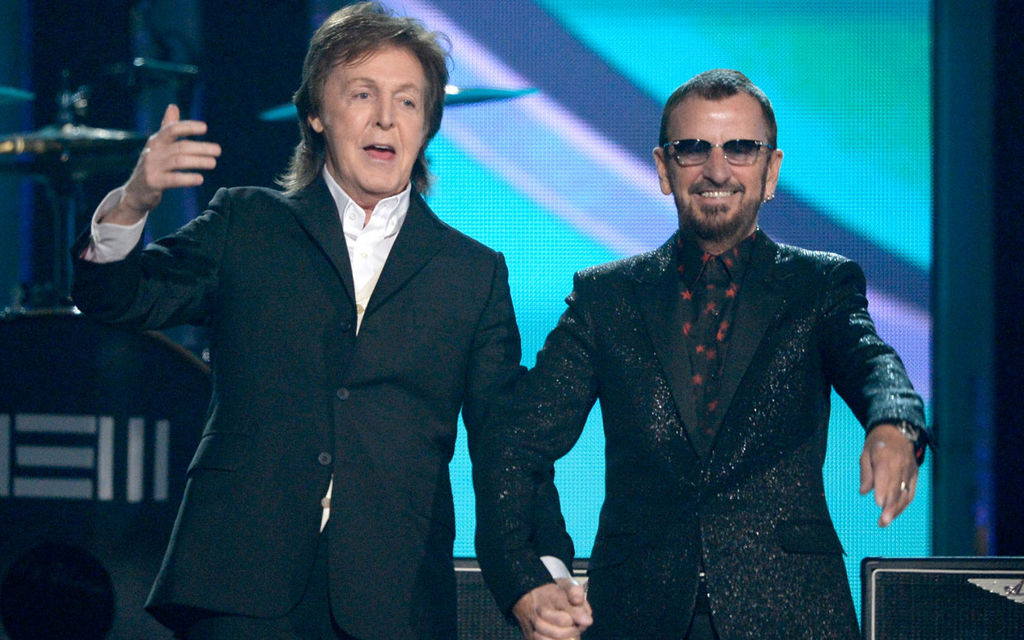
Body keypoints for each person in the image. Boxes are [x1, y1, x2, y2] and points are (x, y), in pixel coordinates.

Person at [71, 3, 571, 639]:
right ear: (316, 113)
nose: (385, 117)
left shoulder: (472, 274)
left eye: (408, 101)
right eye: (362, 94)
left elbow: (505, 439)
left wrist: (536, 571)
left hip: (392, 597)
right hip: (239, 584)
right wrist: (134, 200)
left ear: (426, 125)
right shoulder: (248, 223)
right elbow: (118, 297)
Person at [474, 69, 930, 640]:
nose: (717, 169)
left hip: (791, 614)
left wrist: (894, 422)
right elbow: (516, 441)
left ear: (771, 171)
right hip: (635, 615)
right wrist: (527, 576)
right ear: (664, 169)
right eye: (693, 149)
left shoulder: (819, 286)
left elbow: (872, 362)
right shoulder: (607, 297)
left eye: (741, 148)